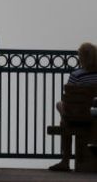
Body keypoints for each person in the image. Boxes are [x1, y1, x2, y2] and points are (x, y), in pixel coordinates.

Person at [49, 42, 97, 171]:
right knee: (65, 112)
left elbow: (69, 99)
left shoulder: (77, 75)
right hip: (95, 114)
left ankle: (65, 161)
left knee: (62, 109)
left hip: (79, 116)